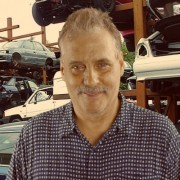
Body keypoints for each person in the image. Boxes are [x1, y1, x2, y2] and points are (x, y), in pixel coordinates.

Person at [7, 8, 179, 180]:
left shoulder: (162, 137)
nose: (90, 80)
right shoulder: (33, 138)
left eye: (102, 65)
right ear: (63, 71)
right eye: (77, 67)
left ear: (120, 65)